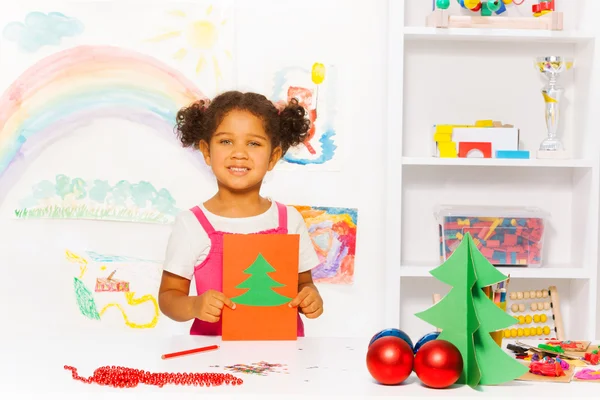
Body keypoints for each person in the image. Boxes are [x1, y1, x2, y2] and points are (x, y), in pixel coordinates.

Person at [158, 90, 324, 336]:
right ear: (206, 151)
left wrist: (311, 297)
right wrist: (195, 305)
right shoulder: (191, 224)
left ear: (273, 157)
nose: (239, 153)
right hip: (212, 357)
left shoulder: (289, 220)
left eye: (254, 143)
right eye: (226, 141)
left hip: (283, 358)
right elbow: (168, 297)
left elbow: (304, 283)